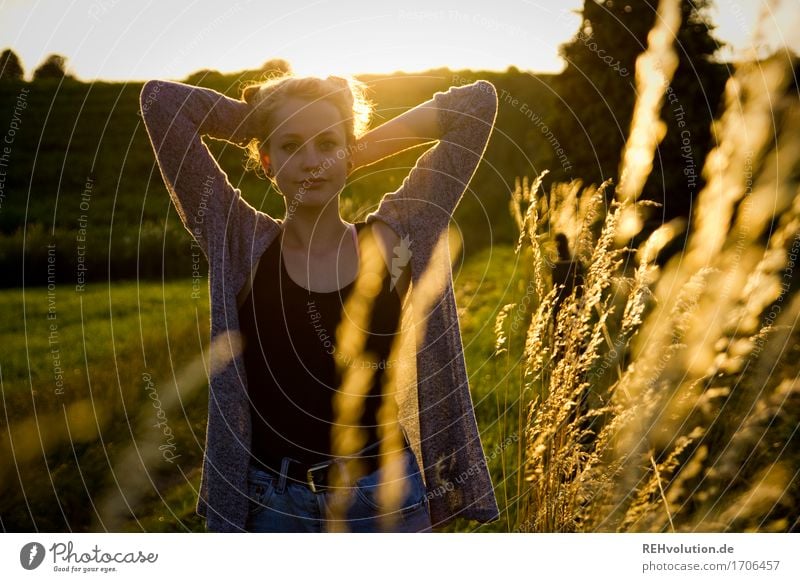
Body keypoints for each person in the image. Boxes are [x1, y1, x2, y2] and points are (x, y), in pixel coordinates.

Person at [139, 69, 501, 532]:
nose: (312, 161)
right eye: (291, 146)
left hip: (385, 499)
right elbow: (160, 104)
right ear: (266, 161)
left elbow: (475, 106)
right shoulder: (238, 240)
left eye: (326, 144)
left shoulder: (393, 237)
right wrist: (267, 121)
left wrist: (349, 152)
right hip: (274, 505)